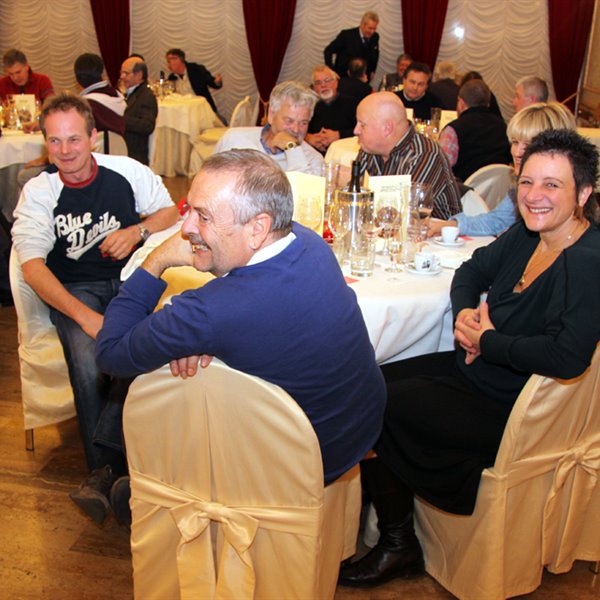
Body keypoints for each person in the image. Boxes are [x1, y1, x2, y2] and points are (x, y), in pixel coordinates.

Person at [338, 128, 600, 587]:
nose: (534, 196)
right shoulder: (528, 234)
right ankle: (381, 509)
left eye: (551, 185)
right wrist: (463, 314)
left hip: (513, 409)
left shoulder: (587, 260)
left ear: (583, 192)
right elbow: (472, 269)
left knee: (378, 405)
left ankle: (398, 544)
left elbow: (567, 356)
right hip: (476, 374)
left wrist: (489, 341)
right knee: (366, 379)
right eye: (526, 182)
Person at [95, 148, 386, 496]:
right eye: (189, 211)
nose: (185, 230)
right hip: (357, 423)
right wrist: (205, 343)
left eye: (203, 217)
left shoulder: (210, 312)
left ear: (258, 228)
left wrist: (155, 261)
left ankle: (150, 494)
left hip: (300, 461)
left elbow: (110, 352)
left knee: (170, 402)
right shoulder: (308, 242)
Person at [11, 93, 179, 526]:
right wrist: (86, 318)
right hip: (75, 290)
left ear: (93, 137)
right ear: (45, 144)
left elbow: (169, 211)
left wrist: (136, 230)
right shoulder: (39, 191)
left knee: (150, 347)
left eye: (73, 139)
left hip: (129, 284)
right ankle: (110, 472)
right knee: (91, 361)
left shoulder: (126, 172)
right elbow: (32, 267)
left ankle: (112, 477)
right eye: (55, 142)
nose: (65, 151)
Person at [428, 102, 576, 237]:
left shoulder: (566, 196)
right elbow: (498, 220)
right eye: (515, 142)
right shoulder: (522, 185)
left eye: (529, 145)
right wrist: (450, 225)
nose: (517, 153)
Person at [354, 92, 462, 219]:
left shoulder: (425, 155)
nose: (356, 131)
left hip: (437, 236)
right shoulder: (370, 149)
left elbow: (403, 216)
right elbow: (354, 199)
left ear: (387, 128)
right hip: (390, 235)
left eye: (362, 125)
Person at [215, 81, 324, 175]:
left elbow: (303, 196)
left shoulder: (313, 160)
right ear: (271, 115)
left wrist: (292, 149)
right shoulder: (235, 138)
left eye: (303, 123)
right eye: (289, 121)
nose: (296, 129)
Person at [438, 79, 511, 181]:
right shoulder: (504, 127)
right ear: (488, 104)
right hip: (497, 191)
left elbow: (441, 167)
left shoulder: (453, 130)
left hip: (464, 192)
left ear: (461, 103)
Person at [306, 65, 358, 154]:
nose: (323, 85)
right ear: (314, 88)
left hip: (345, 155)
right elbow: (297, 131)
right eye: (318, 83)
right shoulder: (308, 107)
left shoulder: (353, 104)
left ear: (336, 83)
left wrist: (339, 135)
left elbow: (365, 131)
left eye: (327, 80)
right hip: (315, 156)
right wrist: (309, 138)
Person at [75, 53, 126, 139]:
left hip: (96, 151)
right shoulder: (117, 96)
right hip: (121, 150)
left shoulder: (86, 106)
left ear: (78, 78)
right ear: (102, 72)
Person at [166, 48, 223, 120]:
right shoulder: (172, 77)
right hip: (183, 113)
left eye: (169, 61)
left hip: (201, 111)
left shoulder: (195, 69)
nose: (168, 65)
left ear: (178, 60)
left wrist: (217, 82)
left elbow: (212, 82)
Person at [120, 57, 157, 165]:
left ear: (139, 75)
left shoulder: (146, 95)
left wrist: (120, 119)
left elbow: (147, 126)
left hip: (135, 155)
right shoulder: (131, 92)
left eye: (126, 73)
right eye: (121, 73)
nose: (122, 77)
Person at [324, 11, 380, 81]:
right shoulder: (346, 36)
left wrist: (372, 70)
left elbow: (375, 54)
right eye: (370, 28)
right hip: (344, 78)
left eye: (374, 28)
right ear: (362, 24)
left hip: (364, 79)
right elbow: (328, 51)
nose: (372, 32)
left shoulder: (375, 37)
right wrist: (331, 71)